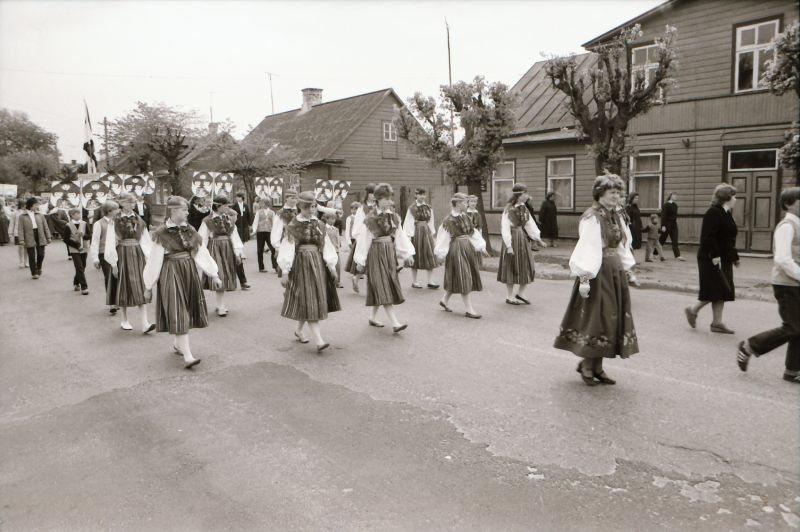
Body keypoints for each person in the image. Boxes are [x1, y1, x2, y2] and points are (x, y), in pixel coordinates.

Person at [553, 174, 639, 386]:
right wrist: (584, 279)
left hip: (614, 271)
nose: (616, 196)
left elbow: (622, 245)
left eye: (618, 193)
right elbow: (587, 249)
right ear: (600, 193)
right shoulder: (592, 217)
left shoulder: (616, 215)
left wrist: (628, 268)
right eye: (612, 192)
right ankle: (587, 365)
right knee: (597, 319)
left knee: (611, 320)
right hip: (596, 273)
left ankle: (598, 367)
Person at [143, 196, 222, 369]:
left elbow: (201, 252)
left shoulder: (190, 229)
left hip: (188, 271)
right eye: (184, 210)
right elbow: (154, 260)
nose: (187, 213)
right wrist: (148, 286)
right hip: (171, 272)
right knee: (177, 309)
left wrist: (214, 274)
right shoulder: (162, 233)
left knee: (185, 309)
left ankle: (178, 344)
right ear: (173, 210)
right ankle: (188, 355)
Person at [737, 187, 800, 384]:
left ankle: (792, 371)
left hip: (795, 283)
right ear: (789, 204)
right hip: (787, 284)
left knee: (798, 327)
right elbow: (782, 259)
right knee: (793, 327)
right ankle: (749, 346)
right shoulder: (787, 226)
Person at [278, 191, 341, 352]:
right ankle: (319, 340)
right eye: (307, 207)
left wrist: (331, 266)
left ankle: (299, 330)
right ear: (300, 207)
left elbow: (326, 245)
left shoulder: (319, 224)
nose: (311, 210)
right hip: (302, 265)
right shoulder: (293, 225)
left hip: (317, 264)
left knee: (310, 299)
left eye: (313, 207)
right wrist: (285, 271)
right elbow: (288, 248)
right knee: (309, 298)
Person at [354, 183, 415, 332]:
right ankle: (395, 323)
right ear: (377, 199)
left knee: (384, 285)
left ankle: (372, 317)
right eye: (385, 199)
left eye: (389, 198)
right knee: (382, 285)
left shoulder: (393, 216)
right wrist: (360, 260)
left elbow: (400, 235)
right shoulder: (370, 218)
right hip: (376, 253)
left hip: (389, 253)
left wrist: (407, 254)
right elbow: (364, 240)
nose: (389, 201)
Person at [684, 184, 739, 334]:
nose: (736, 199)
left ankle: (717, 323)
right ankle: (693, 310)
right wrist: (714, 255)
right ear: (727, 198)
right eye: (734, 196)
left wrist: (734, 257)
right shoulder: (713, 212)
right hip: (710, 258)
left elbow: (728, 239)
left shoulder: (727, 213)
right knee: (717, 288)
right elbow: (708, 237)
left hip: (724, 258)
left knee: (724, 290)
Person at [105, 193, 154, 332]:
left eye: (133, 202)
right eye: (129, 202)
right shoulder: (115, 220)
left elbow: (145, 239)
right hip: (123, 254)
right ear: (122, 203)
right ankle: (124, 319)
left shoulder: (139, 220)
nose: (132, 205)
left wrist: (149, 258)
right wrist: (113, 263)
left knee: (141, 286)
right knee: (124, 286)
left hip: (137, 254)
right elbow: (110, 241)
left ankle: (145, 323)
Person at [434, 192, 487, 318]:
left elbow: (472, 233)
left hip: (467, 247)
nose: (466, 204)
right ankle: (469, 309)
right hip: (456, 249)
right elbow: (443, 238)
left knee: (458, 276)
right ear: (458, 203)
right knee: (464, 276)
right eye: (464, 202)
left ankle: (444, 300)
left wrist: (481, 246)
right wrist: (441, 254)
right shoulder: (448, 221)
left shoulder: (465, 217)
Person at [497, 183, 547, 305]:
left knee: (527, 265)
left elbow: (530, 224)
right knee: (511, 266)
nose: (527, 195)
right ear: (519, 195)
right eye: (525, 193)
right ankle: (509, 296)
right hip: (512, 239)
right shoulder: (509, 209)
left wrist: (538, 239)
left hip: (522, 239)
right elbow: (505, 228)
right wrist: (509, 246)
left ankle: (521, 293)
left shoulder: (523, 207)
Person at [199, 195, 245, 316]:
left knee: (225, 276)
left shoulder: (228, 219)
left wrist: (238, 253)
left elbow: (234, 236)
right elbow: (202, 239)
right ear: (218, 206)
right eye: (226, 206)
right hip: (215, 249)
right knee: (219, 275)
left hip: (227, 249)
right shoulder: (207, 221)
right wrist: (203, 256)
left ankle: (220, 303)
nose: (228, 208)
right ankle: (220, 305)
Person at [403, 188, 439, 289]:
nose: (422, 196)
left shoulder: (428, 207)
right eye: (420, 194)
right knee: (416, 255)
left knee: (430, 254)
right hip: (416, 232)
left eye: (424, 194)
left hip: (426, 232)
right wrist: (409, 237)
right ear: (416, 195)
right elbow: (408, 223)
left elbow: (431, 221)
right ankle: (414, 281)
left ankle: (430, 281)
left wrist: (432, 234)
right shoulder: (412, 208)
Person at [91, 201, 121, 315]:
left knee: (117, 276)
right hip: (104, 254)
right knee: (109, 277)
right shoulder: (99, 224)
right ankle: (111, 303)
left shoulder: (117, 222)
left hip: (117, 252)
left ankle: (117, 299)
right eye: (116, 209)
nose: (118, 211)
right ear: (109, 211)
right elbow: (95, 241)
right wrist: (95, 258)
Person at [346, 184, 377, 293]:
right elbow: (358, 224)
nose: (373, 196)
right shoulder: (362, 208)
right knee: (365, 259)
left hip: (375, 235)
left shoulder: (377, 206)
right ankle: (359, 280)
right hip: (365, 236)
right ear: (367, 194)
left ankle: (359, 279)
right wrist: (358, 237)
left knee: (373, 260)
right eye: (371, 193)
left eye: (375, 193)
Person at [17, 197, 52, 279]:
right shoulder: (22, 216)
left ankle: (39, 268)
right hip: (29, 235)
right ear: (30, 205)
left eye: (37, 205)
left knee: (41, 254)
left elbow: (45, 226)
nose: (37, 206)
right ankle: (34, 272)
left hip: (40, 235)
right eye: (35, 205)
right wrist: (21, 239)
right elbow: (20, 229)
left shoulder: (40, 215)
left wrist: (48, 237)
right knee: (31, 256)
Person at [61, 208, 90, 295]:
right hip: (74, 249)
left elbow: (89, 235)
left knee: (83, 266)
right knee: (79, 267)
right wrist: (76, 245)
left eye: (79, 213)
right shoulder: (68, 225)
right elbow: (65, 239)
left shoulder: (84, 223)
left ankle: (76, 282)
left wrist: (84, 235)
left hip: (84, 248)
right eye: (76, 214)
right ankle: (84, 287)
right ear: (72, 215)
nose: (78, 215)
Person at [251, 197, 278, 273]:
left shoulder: (272, 212)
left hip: (269, 232)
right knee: (260, 250)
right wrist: (254, 231)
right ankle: (261, 267)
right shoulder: (258, 212)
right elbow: (255, 222)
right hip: (260, 232)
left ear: (266, 204)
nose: (260, 204)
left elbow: (274, 222)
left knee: (273, 249)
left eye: (262, 203)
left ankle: (275, 266)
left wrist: (275, 232)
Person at [659, 192, 684, 260]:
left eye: (676, 196)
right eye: (674, 195)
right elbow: (663, 216)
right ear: (670, 196)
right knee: (662, 239)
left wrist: (674, 223)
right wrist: (663, 225)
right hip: (667, 224)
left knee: (675, 240)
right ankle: (655, 253)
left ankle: (677, 255)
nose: (675, 197)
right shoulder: (666, 205)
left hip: (674, 224)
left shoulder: (675, 205)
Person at [323, 212, 344, 288]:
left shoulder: (336, 229)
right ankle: (329, 282)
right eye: (331, 219)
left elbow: (338, 238)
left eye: (334, 219)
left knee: (337, 266)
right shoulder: (324, 229)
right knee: (328, 266)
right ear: (326, 219)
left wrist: (338, 246)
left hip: (335, 249)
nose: (333, 220)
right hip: (328, 250)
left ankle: (338, 282)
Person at [12, 198, 29, 269]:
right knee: (20, 247)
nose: (24, 206)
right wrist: (10, 232)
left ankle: (26, 261)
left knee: (26, 247)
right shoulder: (15, 213)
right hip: (18, 232)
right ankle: (21, 261)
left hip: (27, 232)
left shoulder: (28, 212)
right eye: (23, 205)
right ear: (20, 205)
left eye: (25, 205)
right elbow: (12, 223)